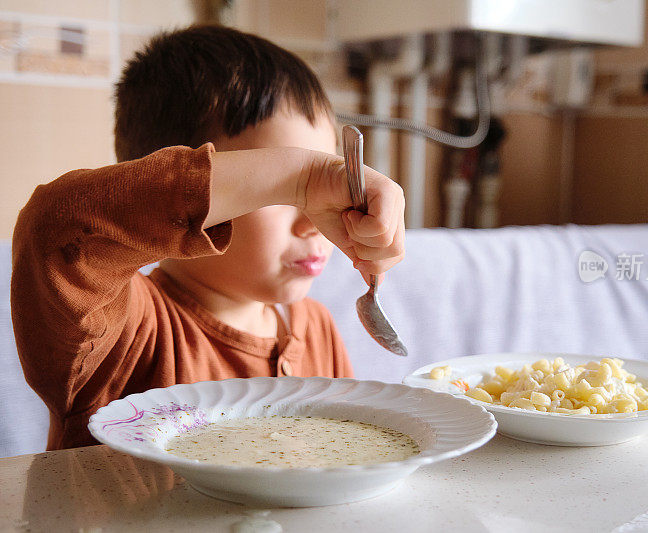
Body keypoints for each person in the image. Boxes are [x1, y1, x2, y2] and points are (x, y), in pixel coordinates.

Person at [10, 25, 405, 450]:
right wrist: (305, 177)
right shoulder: (122, 335)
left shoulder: (316, 329)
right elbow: (55, 227)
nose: (314, 223)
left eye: (324, 194)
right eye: (281, 192)